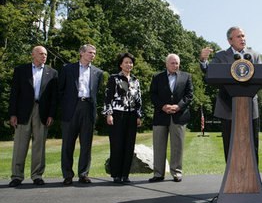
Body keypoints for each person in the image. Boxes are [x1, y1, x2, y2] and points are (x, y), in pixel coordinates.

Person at [200, 26, 262, 163]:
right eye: (239, 36)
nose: (243, 39)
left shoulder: (255, 55)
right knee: (230, 145)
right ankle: (231, 178)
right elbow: (210, 73)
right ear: (230, 40)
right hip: (227, 107)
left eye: (244, 36)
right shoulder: (220, 56)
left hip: (250, 107)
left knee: (252, 145)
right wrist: (204, 61)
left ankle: (254, 179)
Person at [8, 46, 58, 187]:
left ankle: (37, 175)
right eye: (41, 54)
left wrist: (51, 115)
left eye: (46, 54)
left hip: (42, 112)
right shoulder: (21, 70)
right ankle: (17, 176)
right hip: (23, 111)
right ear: (33, 55)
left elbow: (54, 98)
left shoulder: (52, 73)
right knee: (20, 145)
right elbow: (14, 94)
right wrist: (13, 114)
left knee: (39, 144)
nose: (44, 56)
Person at [59, 44, 104, 185]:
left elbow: (96, 92)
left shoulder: (98, 72)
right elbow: (60, 90)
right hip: (71, 108)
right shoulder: (68, 69)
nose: (93, 55)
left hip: (88, 108)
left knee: (86, 144)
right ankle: (67, 175)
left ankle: (83, 174)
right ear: (81, 53)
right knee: (68, 144)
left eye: (94, 53)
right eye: (90, 52)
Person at [148, 54, 193, 183]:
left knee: (177, 146)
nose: (175, 65)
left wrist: (178, 107)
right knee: (159, 146)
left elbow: (189, 95)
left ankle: (177, 173)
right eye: (172, 63)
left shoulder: (186, 77)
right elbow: (153, 94)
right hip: (161, 116)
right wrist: (163, 106)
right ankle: (158, 174)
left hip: (179, 116)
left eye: (177, 63)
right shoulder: (157, 77)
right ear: (166, 64)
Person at [103, 52, 142, 184]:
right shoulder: (114, 78)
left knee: (129, 146)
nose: (129, 64)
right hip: (117, 115)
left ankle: (125, 175)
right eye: (126, 62)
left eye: (131, 62)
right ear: (120, 64)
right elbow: (108, 97)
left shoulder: (136, 80)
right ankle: (116, 175)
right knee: (117, 145)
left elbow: (138, 100)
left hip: (131, 115)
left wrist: (138, 116)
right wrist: (109, 114)